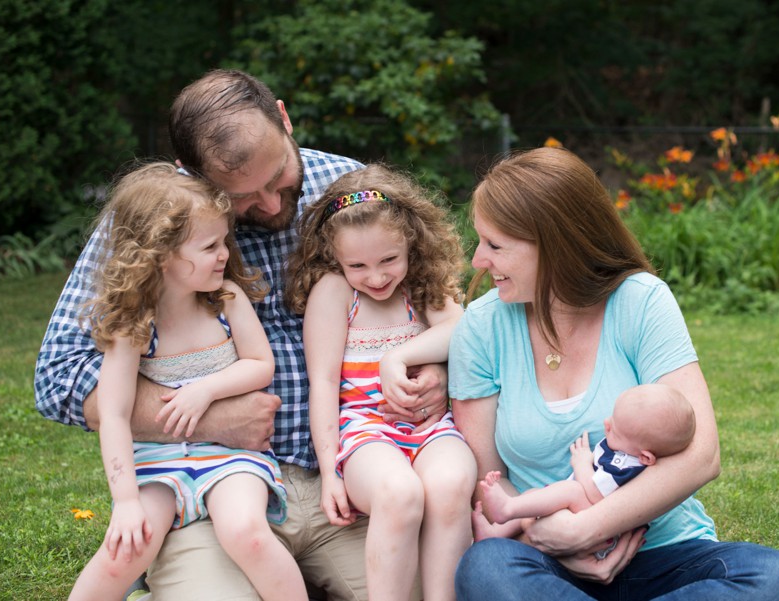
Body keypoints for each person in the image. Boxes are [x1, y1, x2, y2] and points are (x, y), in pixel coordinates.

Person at [35, 69, 448, 600]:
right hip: (216, 493)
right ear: (192, 173)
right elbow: (59, 375)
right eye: (243, 196)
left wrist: (435, 366)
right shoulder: (159, 221)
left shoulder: (350, 191)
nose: (273, 205)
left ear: (284, 117)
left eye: (278, 176)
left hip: (351, 479)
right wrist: (207, 416)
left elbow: (435, 302)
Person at [448, 147, 779, 599]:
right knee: (486, 568)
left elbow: (702, 455)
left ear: (556, 243)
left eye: (495, 245)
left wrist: (588, 528)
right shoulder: (481, 327)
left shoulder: (641, 301)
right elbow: (488, 483)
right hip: (546, 560)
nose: (478, 261)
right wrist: (555, 539)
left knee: (777, 579)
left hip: (665, 553)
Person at [67, 162, 306, 601]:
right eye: (210, 245)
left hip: (232, 458)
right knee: (126, 548)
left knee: (247, 533)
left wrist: (205, 390)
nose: (224, 254)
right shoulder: (133, 325)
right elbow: (115, 414)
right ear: (161, 255)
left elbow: (260, 364)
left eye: (224, 242)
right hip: (156, 463)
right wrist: (125, 502)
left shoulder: (226, 299)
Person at [286, 164, 477, 601]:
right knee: (399, 492)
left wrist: (400, 356)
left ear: (411, 242)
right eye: (358, 265)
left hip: (430, 428)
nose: (376, 277)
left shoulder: (420, 284)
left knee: (450, 485)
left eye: (388, 259)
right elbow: (323, 383)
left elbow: (461, 330)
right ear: (335, 257)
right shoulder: (336, 292)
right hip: (365, 433)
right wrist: (331, 471)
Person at [473, 383, 695, 548]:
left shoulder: (628, 465)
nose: (607, 424)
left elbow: (597, 494)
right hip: (590, 518)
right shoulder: (630, 451)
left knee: (570, 490)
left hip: (603, 528)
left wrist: (581, 464)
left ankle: (507, 509)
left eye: (615, 430)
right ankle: (495, 533)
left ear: (646, 457)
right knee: (533, 495)